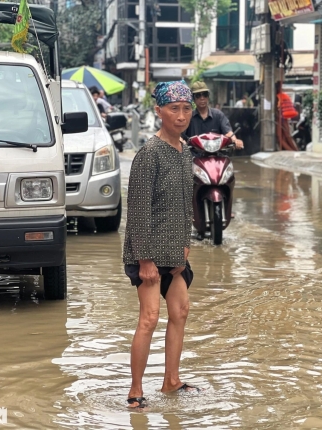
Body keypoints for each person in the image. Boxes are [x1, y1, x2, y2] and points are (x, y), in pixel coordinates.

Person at [123, 80, 199, 409]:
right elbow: (137, 210)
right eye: (174, 109)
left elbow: (186, 204)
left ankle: (171, 381)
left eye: (186, 109)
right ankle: (135, 390)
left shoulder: (185, 153)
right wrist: (144, 260)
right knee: (149, 318)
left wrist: (185, 244)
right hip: (149, 254)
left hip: (176, 252)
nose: (181, 116)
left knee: (180, 311)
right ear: (159, 111)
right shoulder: (149, 155)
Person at [185, 81, 244, 149]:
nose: (202, 98)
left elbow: (228, 132)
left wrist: (235, 140)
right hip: (194, 157)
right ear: (193, 99)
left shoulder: (218, 115)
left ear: (208, 97)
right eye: (198, 95)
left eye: (205, 94)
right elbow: (180, 135)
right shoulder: (188, 116)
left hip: (217, 155)